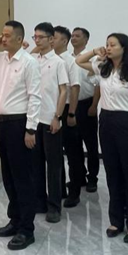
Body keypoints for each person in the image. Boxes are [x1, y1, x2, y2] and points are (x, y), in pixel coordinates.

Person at [0, 21, 42, 250]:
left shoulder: (29, 62)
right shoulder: (1, 58)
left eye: (6, 36)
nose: (2, 39)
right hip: (1, 123)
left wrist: (31, 129)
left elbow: (35, 97)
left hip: (18, 124)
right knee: (8, 175)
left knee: (23, 177)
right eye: (2, 35)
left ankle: (26, 229)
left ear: (19, 39)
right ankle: (14, 220)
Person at [76, 33, 128, 243]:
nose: (108, 47)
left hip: (126, 122)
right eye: (107, 44)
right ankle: (116, 220)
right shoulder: (103, 68)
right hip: (106, 121)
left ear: (124, 48)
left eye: (113, 45)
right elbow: (79, 61)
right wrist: (94, 51)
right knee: (113, 173)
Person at [30, 22, 69, 222]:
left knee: (53, 165)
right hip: (33, 119)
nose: (37, 40)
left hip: (50, 119)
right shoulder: (32, 60)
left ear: (51, 39)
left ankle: (54, 206)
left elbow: (64, 91)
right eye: (34, 37)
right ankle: (39, 201)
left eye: (41, 37)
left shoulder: (58, 62)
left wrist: (57, 116)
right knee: (35, 164)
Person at [53, 26, 84, 207]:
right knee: (55, 153)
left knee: (73, 153)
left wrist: (71, 113)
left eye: (54, 38)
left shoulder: (70, 61)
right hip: (52, 111)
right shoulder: (48, 59)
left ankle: (74, 192)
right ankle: (60, 190)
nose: (51, 41)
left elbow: (75, 88)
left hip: (67, 110)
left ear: (64, 41)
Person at [70, 27, 101, 192]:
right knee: (74, 145)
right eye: (72, 36)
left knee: (91, 144)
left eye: (77, 36)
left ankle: (92, 178)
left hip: (87, 104)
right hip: (72, 106)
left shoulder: (94, 58)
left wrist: (94, 105)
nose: (73, 38)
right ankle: (79, 176)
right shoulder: (67, 57)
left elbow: (98, 84)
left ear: (86, 40)